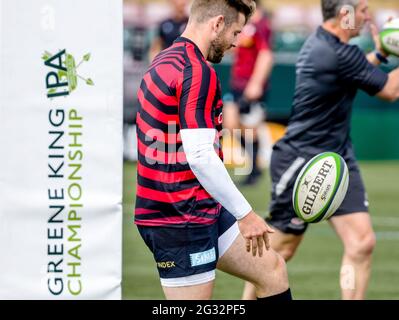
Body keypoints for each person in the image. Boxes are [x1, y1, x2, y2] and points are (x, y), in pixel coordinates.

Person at [134, 0, 291, 300]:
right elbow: (201, 155)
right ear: (217, 23)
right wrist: (245, 214)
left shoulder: (163, 60)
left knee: (272, 271)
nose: (236, 42)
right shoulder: (196, 71)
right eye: (235, 32)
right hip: (180, 217)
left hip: (197, 206)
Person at [242, 0, 399, 300]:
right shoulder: (336, 52)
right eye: (363, 11)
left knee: (361, 243)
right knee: (282, 249)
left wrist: (380, 54)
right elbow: (390, 91)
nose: (368, 18)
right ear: (345, 15)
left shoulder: (325, 43)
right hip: (300, 160)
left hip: (338, 158)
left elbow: (355, 70)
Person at [223, 0, 274, 185]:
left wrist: (256, 83)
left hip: (251, 85)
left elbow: (266, 55)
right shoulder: (245, 22)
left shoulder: (262, 25)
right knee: (230, 123)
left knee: (250, 128)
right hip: (237, 83)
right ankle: (254, 166)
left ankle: (254, 170)